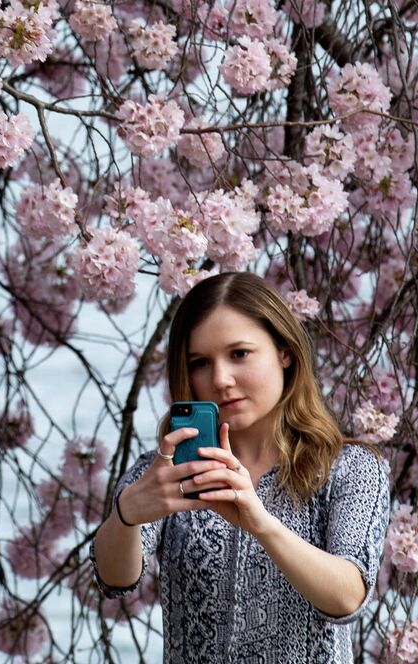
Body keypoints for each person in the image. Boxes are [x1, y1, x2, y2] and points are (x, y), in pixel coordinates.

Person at [91, 271, 392, 663]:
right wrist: (126, 514)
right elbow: (114, 579)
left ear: (285, 351)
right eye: (200, 363)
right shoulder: (170, 471)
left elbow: (348, 596)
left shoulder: (350, 468)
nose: (220, 379)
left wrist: (260, 523)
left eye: (239, 354)